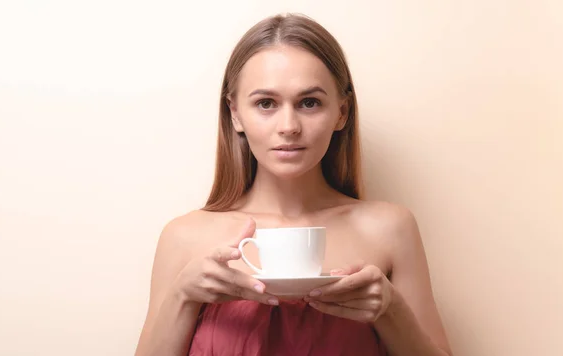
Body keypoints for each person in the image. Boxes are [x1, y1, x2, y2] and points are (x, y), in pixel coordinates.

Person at [135, 13, 452, 356]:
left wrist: (391, 309)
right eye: (266, 103)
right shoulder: (183, 237)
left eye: (309, 103)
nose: (289, 126)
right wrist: (183, 296)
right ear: (235, 114)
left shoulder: (390, 229)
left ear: (341, 113)